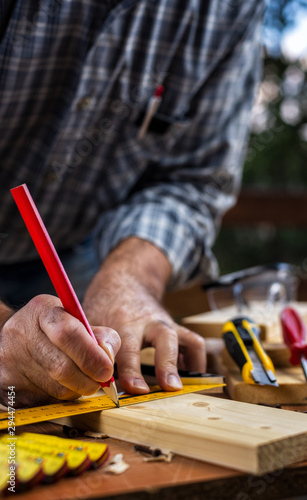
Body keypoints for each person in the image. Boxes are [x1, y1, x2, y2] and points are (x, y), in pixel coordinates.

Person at [0, 0, 264, 408]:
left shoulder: (229, 9)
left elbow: (191, 183)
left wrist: (129, 279)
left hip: (74, 251)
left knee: (77, 380)